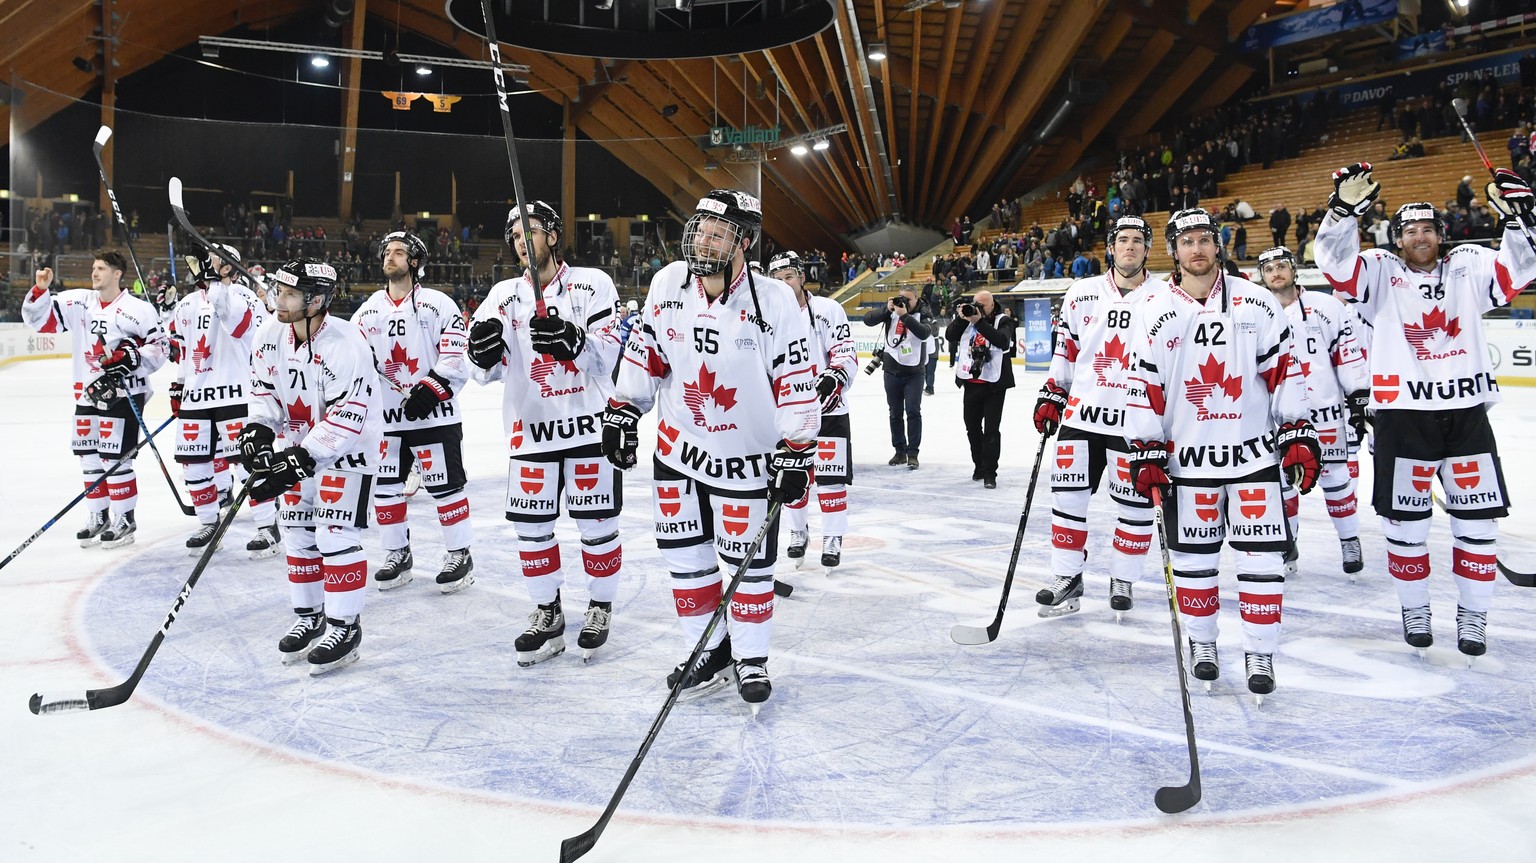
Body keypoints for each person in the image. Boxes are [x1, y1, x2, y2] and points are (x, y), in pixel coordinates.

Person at [602, 189, 816, 710]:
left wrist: (797, 447)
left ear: (743, 241)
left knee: (747, 566)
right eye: (700, 228)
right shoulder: (667, 283)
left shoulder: (774, 300)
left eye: (718, 232)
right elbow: (647, 353)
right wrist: (624, 409)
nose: (703, 239)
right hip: (678, 452)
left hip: (746, 458)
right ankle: (708, 649)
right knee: (686, 559)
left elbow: (794, 377)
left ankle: (750, 657)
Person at [1316, 162, 1536, 658]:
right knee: (1405, 528)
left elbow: (1519, 269)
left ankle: (1474, 615)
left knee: (1479, 526)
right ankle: (1415, 609)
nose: (1420, 236)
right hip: (1402, 419)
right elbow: (1333, 262)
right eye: (1410, 230)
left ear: (1441, 233)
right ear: (1397, 238)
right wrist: (1341, 212)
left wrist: (1522, 219)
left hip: (1466, 416)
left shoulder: (1469, 264)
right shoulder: (1378, 271)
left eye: (1428, 228)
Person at [1123, 208, 1319, 699]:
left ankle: (1259, 650)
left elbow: (1285, 372)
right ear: (1173, 250)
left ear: (1218, 244)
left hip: (1252, 456)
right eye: (1186, 241)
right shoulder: (1151, 308)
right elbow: (1140, 385)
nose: (1197, 249)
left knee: (1263, 560)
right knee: (1194, 562)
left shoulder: (1255, 301)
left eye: (1205, 239)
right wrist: (1144, 450)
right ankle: (1203, 642)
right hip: (1186, 463)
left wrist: (1297, 430)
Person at [468, 201, 625, 665]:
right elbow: (482, 369)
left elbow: (611, 352)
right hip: (530, 433)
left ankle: (599, 606)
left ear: (553, 236)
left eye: (530, 231)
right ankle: (547, 612)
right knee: (532, 531)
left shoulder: (592, 284)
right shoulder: (502, 294)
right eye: (514, 234)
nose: (520, 240)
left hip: (589, 429)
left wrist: (576, 340)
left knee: (597, 528)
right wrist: (482, 353)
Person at [240, 258, 384, 674]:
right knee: (298, 534)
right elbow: (264, 391)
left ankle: (344, 626)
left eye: (288, 295)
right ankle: (309, 616)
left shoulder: (347, 342)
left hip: (349, 451)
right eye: (278, 290)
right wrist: (258, 431)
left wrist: (299, 461)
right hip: (295, 446)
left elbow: (348, 415)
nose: (277, 300)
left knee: (335, 534)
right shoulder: (269, 335)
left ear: (316, 301)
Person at [1033, 216, 1163, 618]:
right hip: (1081, 416)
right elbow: (1066, 349)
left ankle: (1123, 576)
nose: (1130, 247)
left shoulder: (1165, 296)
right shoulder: (1082, 292)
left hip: (1136, 422)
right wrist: (1055, 390)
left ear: (1148, 249)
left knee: (1136, 505)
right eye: (1122, 239)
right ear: (1110, 247)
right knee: (1067, 501)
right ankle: (1066, 576)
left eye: (1138, 241)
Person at [352, 230, 474, 593]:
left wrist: (432, 389)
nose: (389, 257)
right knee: (386, 489)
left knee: (446, 488)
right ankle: (397, 554)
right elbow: (353, 358)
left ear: (415, 261)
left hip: (435, 417)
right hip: (388, 421)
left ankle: (459, 554)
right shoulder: (368, 310)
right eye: (386, 251)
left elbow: (456, 356)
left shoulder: (439, 304)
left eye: (398, 252)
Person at [22, 252, 168, 548]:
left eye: (101, 268)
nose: (94, 273)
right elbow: (42, 322)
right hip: (88, 391)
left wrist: (132, 357)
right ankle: (97, 516)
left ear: (117, 274)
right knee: (88, 456)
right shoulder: (79, 301)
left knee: (114, 458)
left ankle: (124, 519)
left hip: (124, 393)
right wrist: (40, 290)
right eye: (93, 268)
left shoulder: (137, 309)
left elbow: (160, 347)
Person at [1255, 246, 1371, 577]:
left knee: (1336, 480)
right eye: (1268, 268)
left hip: (1325, 413)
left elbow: (1347, 354)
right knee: (1282, 484)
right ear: (1261, 277)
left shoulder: (1327, 306)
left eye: (1281, 266)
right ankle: (1286, 545)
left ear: (1294, 269)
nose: (1276, 272)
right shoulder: (1256, 311)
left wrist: (1358, 397)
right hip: (1277, 418)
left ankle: (1350, 540)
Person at [166, 244, 279, 557]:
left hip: (236, 392)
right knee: (193, 464)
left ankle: (267, 526)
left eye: (215, 258)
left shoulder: (244, 296)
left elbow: (235, 323)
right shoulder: (188, 303)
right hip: (196, 396)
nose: (205, 262)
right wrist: (178, 384)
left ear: (230, 265)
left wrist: (215, 283)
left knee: (248, 465)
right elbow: (180, 349)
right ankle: (208, 523)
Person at [770, 251, 857, 572]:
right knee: (793, 479)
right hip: (789, 415)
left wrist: (835, 378)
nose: (783, 284)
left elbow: (845, 352)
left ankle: (833, 536)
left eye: (789, 277)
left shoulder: (828, 309)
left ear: (802, 277)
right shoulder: (768, 318)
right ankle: (798, 531)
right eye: (776, 280)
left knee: (831, 481)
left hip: (830, 412)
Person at [945, 291, 1016, 489]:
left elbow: (1002, 341)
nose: (978, 308)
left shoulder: (1004, 321)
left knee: (992, 431)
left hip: (994, 386)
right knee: (972, 429)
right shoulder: (967, 319)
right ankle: (979, 465)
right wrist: (962, 319)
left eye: (983, 305)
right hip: (971, 383)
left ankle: (990, 472)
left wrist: (979, 322)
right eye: (976, 304)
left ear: (993, 305)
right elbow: (950, 335)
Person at [862, 286, 930, 468]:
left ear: (916, 299)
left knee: (913, 412)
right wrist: (888, 309)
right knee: (895, 413)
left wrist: (904, 316)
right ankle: (899, 451)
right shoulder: (891, 312)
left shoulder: (923, 312)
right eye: (901, 298)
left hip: (914, 373)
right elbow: (867, 320)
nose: (904, 302)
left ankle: (913, 453)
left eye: (908, 299)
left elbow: (925, 333)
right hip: (891, 370)